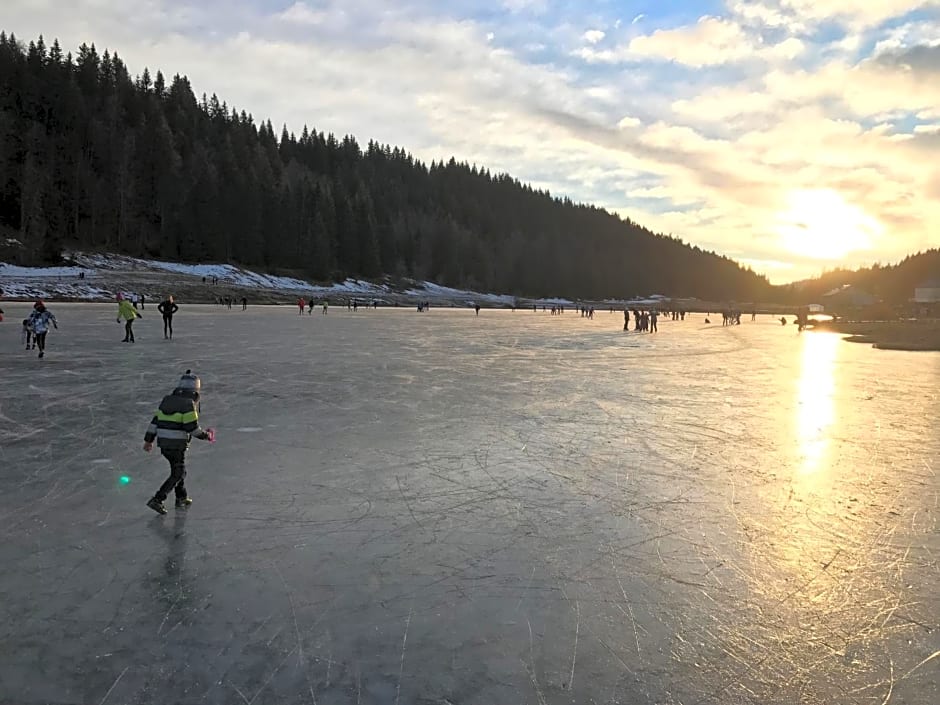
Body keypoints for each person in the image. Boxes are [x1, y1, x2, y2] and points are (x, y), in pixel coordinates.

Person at [143, 370, 213, 515]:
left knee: (179, 471)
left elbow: (154, 423)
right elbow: (192, 428)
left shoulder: (166, 401)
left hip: (164, 444)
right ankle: (158, 499)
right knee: (178, 473)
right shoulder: (188, 405)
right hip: (176, 444)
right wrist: (206, 436)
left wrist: (148, 441)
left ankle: (181, 497)